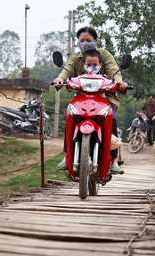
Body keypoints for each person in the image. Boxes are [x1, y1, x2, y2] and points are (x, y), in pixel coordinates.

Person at [52, 27, 127, 174]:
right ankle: (67, 155)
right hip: (82, 98)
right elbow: (66, 71)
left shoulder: (104, 55)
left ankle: (113, 159)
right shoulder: (76, 57)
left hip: (106, 97)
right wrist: (59, 79)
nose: (85, 43)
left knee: (111, 118)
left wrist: (120, 83)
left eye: (88, 40)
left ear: (95, 41)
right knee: (70, 116)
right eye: (82, 40)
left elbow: (114, 71)